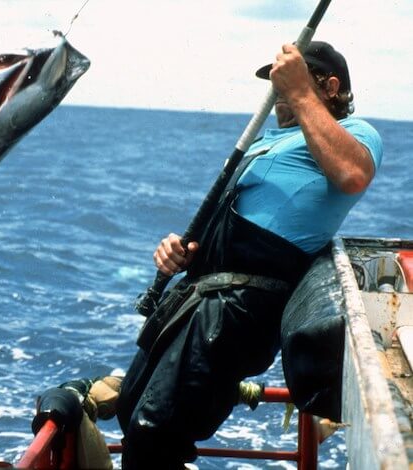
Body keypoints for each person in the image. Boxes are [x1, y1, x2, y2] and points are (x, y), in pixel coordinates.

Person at [116, 41, 383, 469]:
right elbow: (221, 230)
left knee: (155, 432)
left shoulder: (358, 133)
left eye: (288, 83)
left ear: (331, 87)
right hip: (196, 297)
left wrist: (300, 93)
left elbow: (352, 175)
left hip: (236, 307)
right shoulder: (268, 143)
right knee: (132, 412)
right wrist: (178, 253)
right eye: (277, 86)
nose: (279, 93)